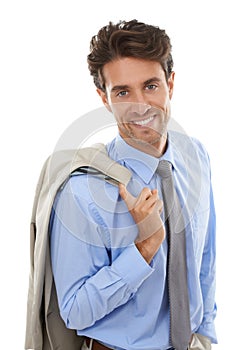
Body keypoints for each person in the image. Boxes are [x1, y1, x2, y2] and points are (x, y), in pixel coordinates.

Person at [49, 19, 217, 350]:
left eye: (151, 86)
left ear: (171, 83)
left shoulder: (195, 154)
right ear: (104, 98)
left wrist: (205, 333)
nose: (139, 105)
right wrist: (145, 248)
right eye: (123, 92)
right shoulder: (82, 191)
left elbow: (205, 254)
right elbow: (74, 311)